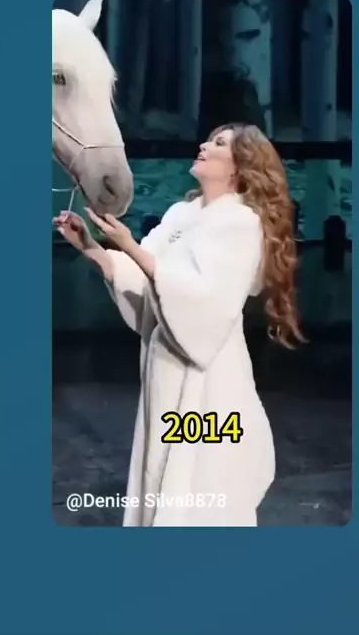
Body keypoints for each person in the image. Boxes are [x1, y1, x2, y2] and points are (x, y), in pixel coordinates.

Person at [54, 123, 304, 527]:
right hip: (164, 367)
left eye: (219, 143)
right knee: (160, 474)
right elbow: (143, 280)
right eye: (208, 139)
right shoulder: (180, 215)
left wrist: (129, 244)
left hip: (208, 377)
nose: (204, 145)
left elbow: (207, 301)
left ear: (239, 166)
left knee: (200, 485)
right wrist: (92, 248)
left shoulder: (241, 223)